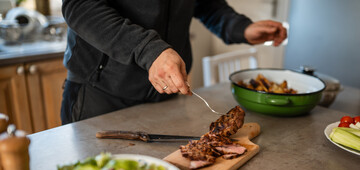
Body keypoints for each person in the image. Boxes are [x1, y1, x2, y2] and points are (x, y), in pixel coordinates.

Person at [60, 0, 287, 124]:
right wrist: (147, 49)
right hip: (101, 93)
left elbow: (206, 5)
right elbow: (80, 6)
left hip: (165, 95)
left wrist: (240, 28)